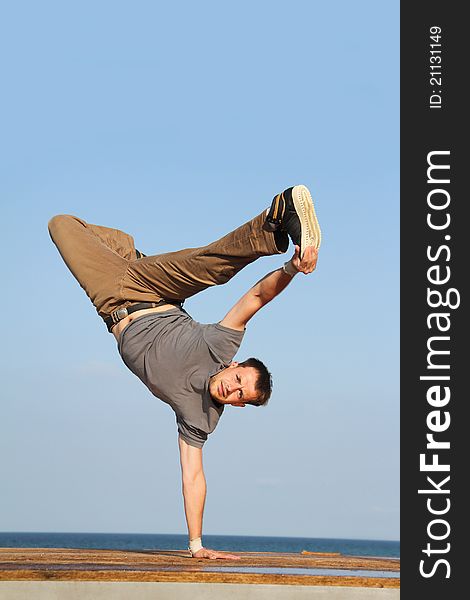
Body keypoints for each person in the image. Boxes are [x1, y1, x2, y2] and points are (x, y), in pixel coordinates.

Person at [48, 184, 321, 560]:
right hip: (155, 290)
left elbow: (193, 476)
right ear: (235, 367)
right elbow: (256, 298)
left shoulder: (201, 417)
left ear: (239, 406)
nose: (232, 389)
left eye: (241, 395)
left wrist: (196, 546)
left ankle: (128, 253)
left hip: (111, 298)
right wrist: (292, 268)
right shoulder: (219, 348)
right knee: (206, 266)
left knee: (60, 224)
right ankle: (276, 219)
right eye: (238, 380)